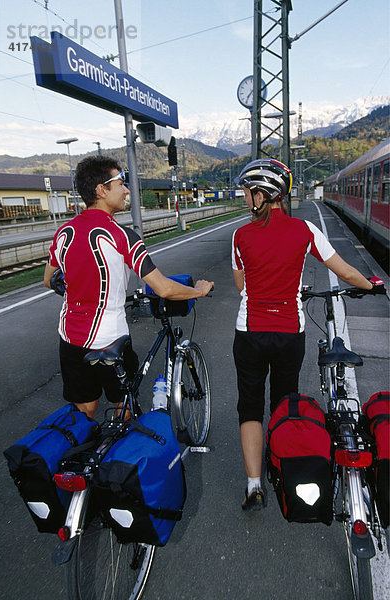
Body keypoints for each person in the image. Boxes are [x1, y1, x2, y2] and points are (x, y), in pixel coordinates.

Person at [231, 158, 385, 511]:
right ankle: (283, 463)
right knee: (284, 400)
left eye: (247, 192)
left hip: (250, 333)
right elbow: (344, 269)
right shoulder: (305, 231)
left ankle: (253, 484)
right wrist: (372, 285)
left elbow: (242, 286)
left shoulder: (241, 236)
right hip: (289, 332)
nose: (245, 198)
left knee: (250, 406)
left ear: (261, 195)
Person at [44, 155, 213, 419]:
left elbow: (49, 279)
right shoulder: (122, 235)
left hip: (69, 336)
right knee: (124, 405)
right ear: (101, 190)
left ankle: (91, 453)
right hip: (109, 337)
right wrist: (198, 291)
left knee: (85, 409)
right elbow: (164, 288)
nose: (126, 190)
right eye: (120, 183)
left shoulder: (64, 232)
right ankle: (125, 454)